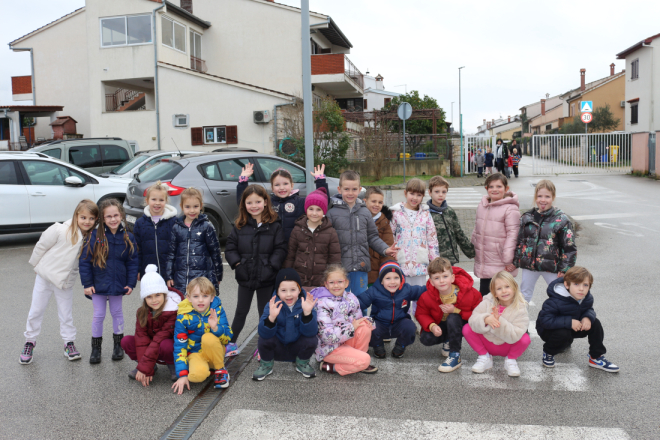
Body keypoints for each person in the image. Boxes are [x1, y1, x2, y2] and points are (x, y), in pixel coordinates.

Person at [20, 200, 98, 365]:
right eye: (83, 217)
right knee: (36, 311)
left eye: (91, 218)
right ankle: (29, 341)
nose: (87, 221)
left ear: (96, 220)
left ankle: (69, 343)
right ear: (76, 215)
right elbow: (42, 246)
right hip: (45, 278)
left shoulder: (91, 238)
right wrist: (36, 264)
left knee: (66, 314)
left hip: (65, 282)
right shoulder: (60, 229)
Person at [224, 184, 287, 356]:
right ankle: (231, 343)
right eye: (249, 202)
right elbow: (230, 248)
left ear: (265, 202)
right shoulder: (239, 225)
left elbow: (280, 249)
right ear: (244, 204)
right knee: (241, 311)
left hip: (266, 277)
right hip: (245, 276)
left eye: (258, 202)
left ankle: (264, 344)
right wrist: (237, 265)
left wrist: (271, 266)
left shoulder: (274, 225)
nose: (254, 206)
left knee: (264, 312)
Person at [79, 198, 139, 364]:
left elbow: (133, 261)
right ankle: (96, 348)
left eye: (116, 215)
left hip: (118, 285)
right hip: (97, 285)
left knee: (117, 313)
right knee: (99, 315)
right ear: (102, 219)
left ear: (121, 215)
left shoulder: (128, 237)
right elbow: (85, 261)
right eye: (108, 216)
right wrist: (87, 284)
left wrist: (131, 282)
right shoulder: (94, 237)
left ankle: (118, 346)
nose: (113, 219)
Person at [326, 170, 398, 298]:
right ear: (339, 189)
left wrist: (385, 250)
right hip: (340, 268)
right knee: (340, 301)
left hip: (360, 268)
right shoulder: (332, 213)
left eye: (354, 189)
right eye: (346, 189)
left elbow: (372, 236)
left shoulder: (364, 212)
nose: (350, 193)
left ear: (359, 190)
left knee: (361, 302)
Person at [536, 267, 619, 372]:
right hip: (549, 331)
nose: (581, 289)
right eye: (576, 284)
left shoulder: (586, 298)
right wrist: (569, 322)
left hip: (573, 326)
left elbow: (589, 309)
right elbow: (545, 321)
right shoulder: (554, 301)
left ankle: (595, 357)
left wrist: (587, 317)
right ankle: (548, 352)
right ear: (567, 285)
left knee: (595, 323)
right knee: (563, 334)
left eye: (585, 285)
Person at [514, 180, 577, 303]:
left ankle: (564, 320)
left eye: (547, 196)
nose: (543, 200)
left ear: (553, 197)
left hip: (551, 266)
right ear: (535, 197)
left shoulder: (561, 219)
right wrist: (516, 261)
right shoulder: (527, 217)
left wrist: (565, 269)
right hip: (529, 265)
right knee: (524, 295)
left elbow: (569, 247)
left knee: (561, 294)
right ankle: (520, 321)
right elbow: (520, 241)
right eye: (539, 196)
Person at [416, 257, 482, 373]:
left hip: (462, 322)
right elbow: (421, 313)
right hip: (442, 324)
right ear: (431, 281)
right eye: (437, 278)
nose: (441, 281)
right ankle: (448, 339)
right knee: (426, 339)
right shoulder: (427, 296)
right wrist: (432, 326)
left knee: (453, 317)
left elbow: (479, 313)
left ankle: (455, 355)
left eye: (445, 276)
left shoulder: (469, 293)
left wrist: (457, 310)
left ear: (452, 278)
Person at [311, 265, 378, 375]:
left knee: (364, 327)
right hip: (330, 348)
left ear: (346, 283)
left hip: (345, 340)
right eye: (331, 282)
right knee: (365, 360)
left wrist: (367, 321)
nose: (336, 285)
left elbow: (358, 320)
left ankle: (357, 362)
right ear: (326, 284)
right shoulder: (322, 303)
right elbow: (327, 337)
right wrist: (352, 327)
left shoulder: (351, 297)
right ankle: (329, 366)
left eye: (340, 282)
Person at [122, 264, 183, 384]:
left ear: (164, 294)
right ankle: (150, 365)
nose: (154, 300)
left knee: (166, 344)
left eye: (158, 295)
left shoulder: (173, 311)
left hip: (167, 347)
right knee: (126, 341)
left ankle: (173, 366)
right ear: (144, 298)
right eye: (149, 297)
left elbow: (159, 339)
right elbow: (141, 339)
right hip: (152, 346)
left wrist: (145, 369)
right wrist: (145, 368)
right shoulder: (141, 312)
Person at [253, 269, 319, 380]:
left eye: (293, 289)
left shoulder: (306, 304)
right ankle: (266, 365)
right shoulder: (272, 305)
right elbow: (263, 333)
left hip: (297, 349)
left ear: (299, 290)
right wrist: (271, 318)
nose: (288, 294)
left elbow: (311, 332)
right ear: (277, 291)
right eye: (283, 290)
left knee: (312, 339)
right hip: (277, 349)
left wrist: (307, 313)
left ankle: (302, 363)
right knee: (263, 339)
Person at [172, 277, 233, 394]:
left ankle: (220, 369)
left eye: (205, 296)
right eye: (196, 296)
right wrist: (182, 374)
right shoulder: (183, 316)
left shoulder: (217, 310)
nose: (200, 300)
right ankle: (209, 369)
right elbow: (180, 346)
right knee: (196, 376)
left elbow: (228, 338)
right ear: (188, 298)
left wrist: (215, 328)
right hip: (195, 353)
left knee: (208, 337)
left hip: (215, 351)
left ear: (212, 298)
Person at [237, 163, 328, 241]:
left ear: (292, 185)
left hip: (295, 247)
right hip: (273, 248)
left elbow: (323, 203)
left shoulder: (301, 202)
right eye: (277, 185)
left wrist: (320, 181)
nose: (281, 188)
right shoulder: (268, 203)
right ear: (272, 188)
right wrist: (243, 182)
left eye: (285, 184)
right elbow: (244, 203)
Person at [464, 271, 531, 377]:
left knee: (525, 339)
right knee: (467, 328)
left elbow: (516, 334)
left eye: (507, 287)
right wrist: (486, 319)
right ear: (494, 293)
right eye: (499, 289)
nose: (504, 291)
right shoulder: (487, 302)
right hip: (488, 343)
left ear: (514, 287)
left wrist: (499, 322)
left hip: (507, 345)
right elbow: (473, 319)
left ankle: (510, 360)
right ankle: (485, 357)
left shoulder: (521, 307)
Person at [357, 260, 427, 359]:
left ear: (401, 278)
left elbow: (423, 291)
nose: (392, 282)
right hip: (380, 323)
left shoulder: (406, 289)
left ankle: (400, 346)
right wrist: (345, 306)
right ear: (381, 280)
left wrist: (437, 286)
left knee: (410, 326)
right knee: (369, 327)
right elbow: (359, 303)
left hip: (399, 323)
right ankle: (378, 346)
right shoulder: (374, 291)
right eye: (388, 278)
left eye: (396, 278)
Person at [389, 178, 439, 315]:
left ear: (423, 196)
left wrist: (435, 260)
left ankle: (420, 320)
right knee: (402, 294)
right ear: (405, 193)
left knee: (420, 295)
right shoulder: (396, 213)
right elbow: (390, 236)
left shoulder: (426, 214)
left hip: (420, 261)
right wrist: (391, 254)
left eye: (419, 195)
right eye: (412, 194)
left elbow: (432, 237)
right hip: (401, 261)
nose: (415, 198)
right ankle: (404, 320)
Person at [165, 187, 223, 296]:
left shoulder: (207, 226)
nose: (192, 210)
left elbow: (215, 253)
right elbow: (171, 254)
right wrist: (169, 276)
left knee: (200, 307)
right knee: (183, 309)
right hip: (181, 280)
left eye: (195, 206)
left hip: (201, 279)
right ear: (182, 206)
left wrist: (218, 276)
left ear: (201, 206)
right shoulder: (176, 228)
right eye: (187, 207)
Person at [472, 173, 520, 296]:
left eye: (499, 186)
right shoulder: (482, 206)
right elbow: (477, 229)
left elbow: (513, 235)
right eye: (491, 187)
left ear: (506, 189)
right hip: (484, 260)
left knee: (502, 297)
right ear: (486, 189)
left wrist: (509, 259)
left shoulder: (510, 209)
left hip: (501, 262)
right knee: (485, 297)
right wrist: (473, 246)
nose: (494, 190)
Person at [284, 187, 341, 290]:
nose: (314, 213)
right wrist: (287, 275)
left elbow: (334, 259)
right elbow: (291, 255)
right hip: (299, 279)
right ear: (306, 209)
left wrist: (333, 279)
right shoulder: (297, 230)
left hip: (321, 282)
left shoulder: (331, 232)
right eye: (311, 209)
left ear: (324, 211)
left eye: (318, 209)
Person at [133, 181, 177, 279]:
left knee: (170, 294)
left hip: (170, 273)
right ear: (147, 200)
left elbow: (178, 248)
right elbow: (137, 249)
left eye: (161, 200)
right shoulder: (140, 223)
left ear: (166, 201)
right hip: (148, 272)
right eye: (154, 199)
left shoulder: (174, 222)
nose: (157, 203)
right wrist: (138, 269)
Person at [427, 176, 475, 265]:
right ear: (430, 192)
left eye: (444, 192)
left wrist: (471, 252)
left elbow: (458, 233)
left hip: (450, 259)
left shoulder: (449, 211)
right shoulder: (426, 213)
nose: (440, 194)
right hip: (434, 260)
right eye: (437, 191)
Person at [364, 187, 394, 286]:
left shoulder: (385, 222)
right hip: (361, 270)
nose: (377, 205)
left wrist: (386, 272)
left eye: (380, 202)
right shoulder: (358, 219)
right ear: (365, 201)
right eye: (373, 201)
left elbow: (388, 246)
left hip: (377, 273)